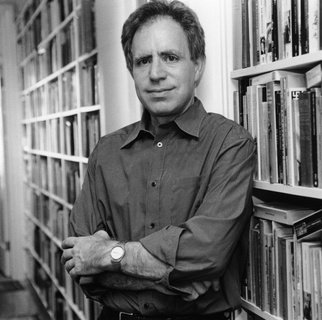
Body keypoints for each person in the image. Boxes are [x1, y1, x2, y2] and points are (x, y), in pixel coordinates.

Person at [61, 1, 255, 319]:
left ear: (198, 65)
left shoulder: (229, 144)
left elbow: (208, 256)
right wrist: (179, 279)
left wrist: (108, 254)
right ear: (131, 70)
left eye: (170, 57)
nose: (155, 73)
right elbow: (79, 263)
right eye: (143, 61)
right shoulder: (106, 152)